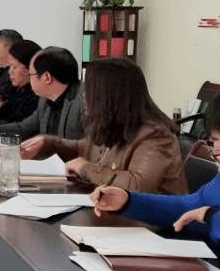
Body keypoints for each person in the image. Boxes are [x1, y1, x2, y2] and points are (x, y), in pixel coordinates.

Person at [92, 82, 220, 271]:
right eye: (212, 145)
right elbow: (188, 209)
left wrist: (218, 217)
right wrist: (129, 201)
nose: (215, 157)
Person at [22, 59, 186, 193]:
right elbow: (82, 148)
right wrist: (47, 143)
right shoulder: (114, 124)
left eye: (90, 89)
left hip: (151, 221)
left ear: (109, 95)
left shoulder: (156, 136)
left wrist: (86, 168)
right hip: (113, 214)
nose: (84, 95)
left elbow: (137, 185)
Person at [0, 46, 84, 140]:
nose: (30, 78)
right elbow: (23, 128)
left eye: (31, 74)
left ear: (47, 78)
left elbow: (88, 148)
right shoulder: (45, 100)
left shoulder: (84, 102)